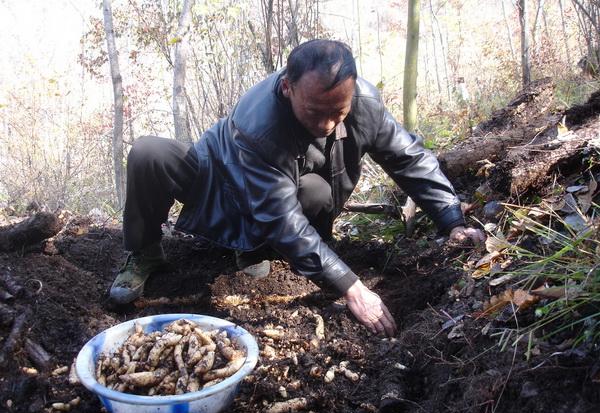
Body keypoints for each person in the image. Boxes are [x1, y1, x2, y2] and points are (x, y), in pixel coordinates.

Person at [109, 39, 485, 337]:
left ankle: (259, 250)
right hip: (219, 181)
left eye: (337, 113)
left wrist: (451, 219)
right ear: (288, 88)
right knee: (148, 152)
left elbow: (410, 159)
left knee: (315, 191)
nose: (325, 124)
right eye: (313, 112)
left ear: (352, 93)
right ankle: (145, 253)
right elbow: (280, 217)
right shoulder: (259, 124)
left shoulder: (364, 105)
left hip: (283, 194)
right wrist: (352, 287)